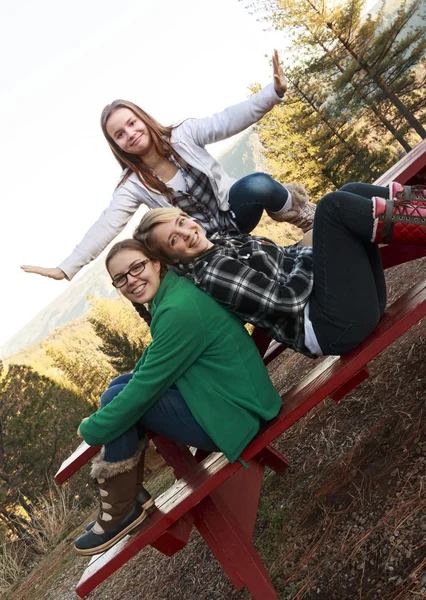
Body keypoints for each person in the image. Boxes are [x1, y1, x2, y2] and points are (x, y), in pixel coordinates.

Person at [20, 50, 315, 283]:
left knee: (256, 183)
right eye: (119, 134)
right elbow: (106, 225)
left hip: (234, 215)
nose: (130, 134)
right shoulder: (133, 184)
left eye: (131, 123)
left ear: (142, 119)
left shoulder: (184, 135)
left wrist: (271, 93)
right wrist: (66, 268)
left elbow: (227, 120)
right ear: (116, 145)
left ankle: (307, 218)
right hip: (199, 244)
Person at [74, 239, 282, 556]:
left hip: (236, 416)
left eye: (137, 267)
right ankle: (128, 499)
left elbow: (144, 390)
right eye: (121, 278)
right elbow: (150, 363)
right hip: (231, 397)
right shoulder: (172, 295)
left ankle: (120, 508)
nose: (130, 280)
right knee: (119, 387)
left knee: (129, 402)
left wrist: (90, 430)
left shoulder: (178, 310)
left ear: (156, 262)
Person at [133, 181, 426, 358]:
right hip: (335, 326)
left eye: (181, 222)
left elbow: (285, 258)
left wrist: (305, 246)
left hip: (346, 309)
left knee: (347, 193)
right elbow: (288, 300)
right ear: (171, 257)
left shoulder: (221, 242)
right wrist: (310, 249)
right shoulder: (213, 272)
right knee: (333, 206)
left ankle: (421, 204)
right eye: (174, 240)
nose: (186, 233)